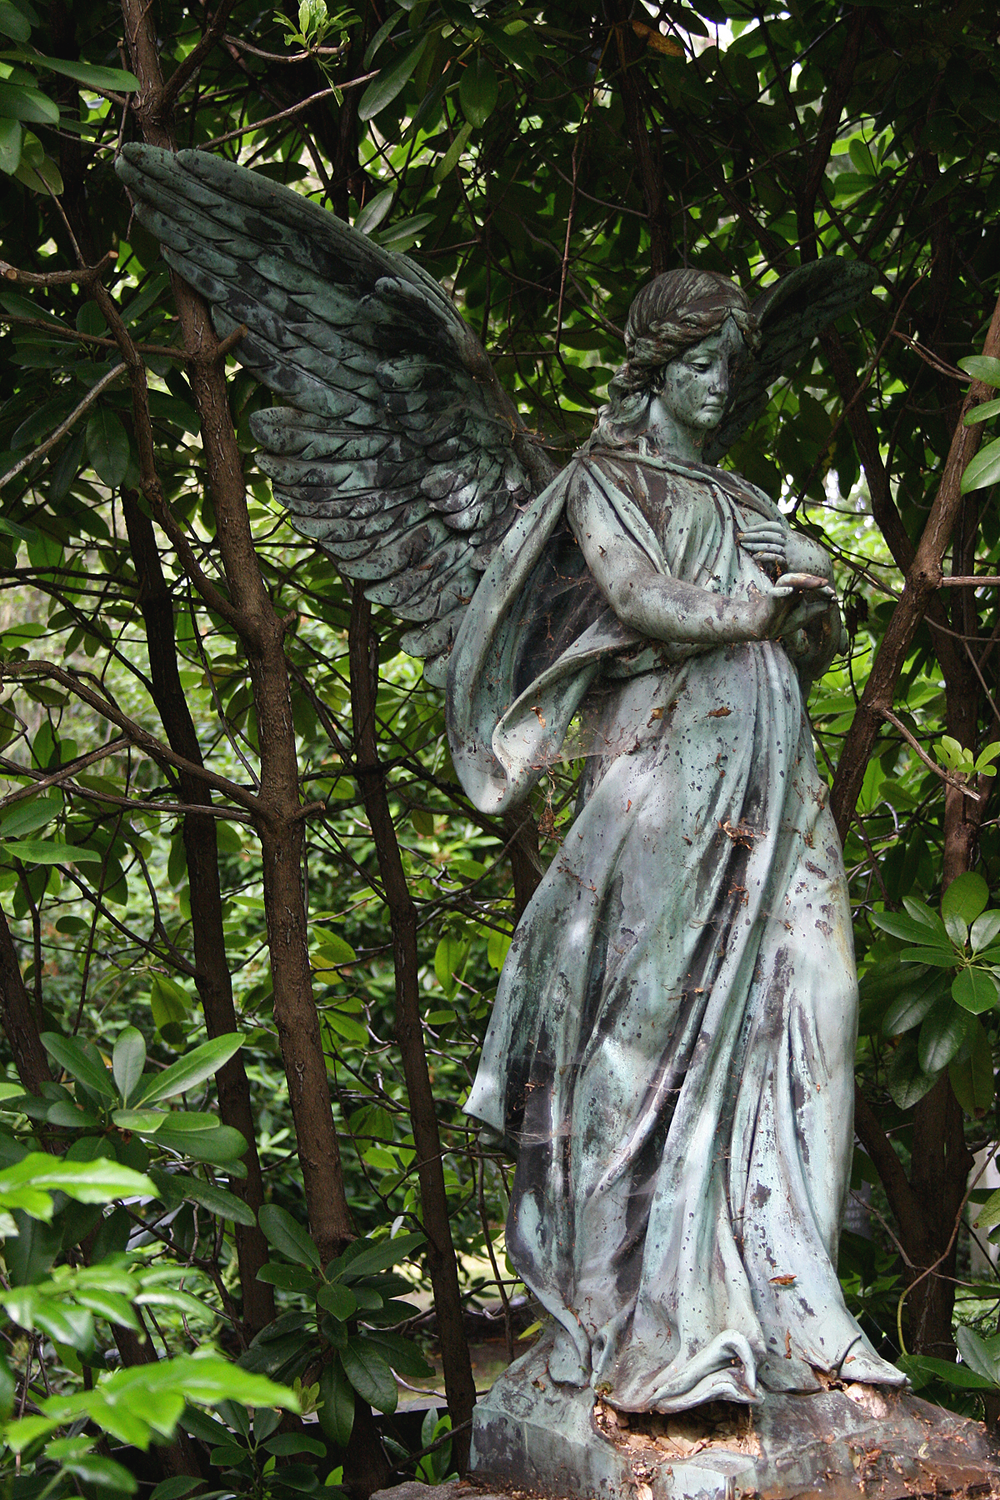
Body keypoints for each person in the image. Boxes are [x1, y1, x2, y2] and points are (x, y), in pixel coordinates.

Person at [446, 269, 905, 1414]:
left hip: (774, 764)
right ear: (653, 368)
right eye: (700, 364)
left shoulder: (740, 490)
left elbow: (802, 614)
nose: (719, 387)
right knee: (642, 1031)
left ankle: (800, 1307)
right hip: (668, 768)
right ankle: (630, 1322)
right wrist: (757, 605)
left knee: (819, 1002)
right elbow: (642, 596)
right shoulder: (604, 480)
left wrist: (810, 607)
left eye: (730, 367)